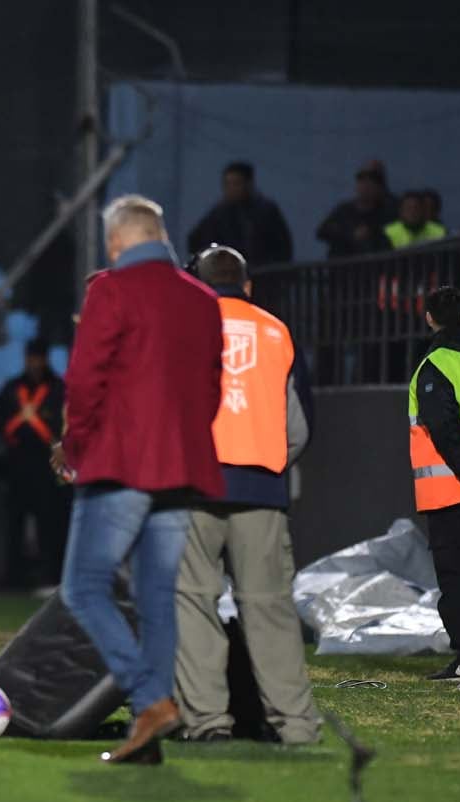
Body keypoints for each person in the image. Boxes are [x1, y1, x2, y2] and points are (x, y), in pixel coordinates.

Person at [53, 196, 223, 764]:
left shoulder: (110, 288)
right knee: (156, 600)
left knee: (84, 587)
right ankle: (148, 732)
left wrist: (76, 447)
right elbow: (211, 389)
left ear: (117, 241)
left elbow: (84, 381)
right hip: (181, 470)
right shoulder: (203, 300)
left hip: (121, 462)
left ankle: (150, 699)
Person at [173, 245, 320, 744]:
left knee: (193, 602)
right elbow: (297, 428)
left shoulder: (180, 325)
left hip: (192, 487)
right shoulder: (276, 331)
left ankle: (208, 721)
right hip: (260, 489)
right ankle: (296, 726)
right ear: (248, 284)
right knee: (270, 607)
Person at [407, 287, 460, 681]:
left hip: (457, 487)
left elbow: (446, 430)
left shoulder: (436, 365)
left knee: (458, 572)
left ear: (429, 319)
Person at [0, 337, 69, 589]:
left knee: (50, 524)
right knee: (14, 524)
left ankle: (51, 577)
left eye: (38, 358)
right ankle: (13, 578)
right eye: (31, 358)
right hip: (17, 465)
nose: (34, 363)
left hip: (47, 466)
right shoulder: (13, 387)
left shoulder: (59, 388)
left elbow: (64, 426)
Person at [187, 162, 293, 268]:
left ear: (248, 184)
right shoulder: (219, 213)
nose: (231, 188)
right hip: (229, 276)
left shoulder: (266, 211)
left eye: (236, 183)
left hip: (262, 275)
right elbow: (196, 241)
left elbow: (283, 249)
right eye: (227, 184)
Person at [315, 163, 395, 258]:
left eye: (370, 185)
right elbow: (322, 232)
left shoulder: (386, 213)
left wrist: (372, 235)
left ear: (378, 189)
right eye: (361, 183)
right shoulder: (343, 210)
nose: (365, 188)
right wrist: (350, 234)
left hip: (372, 267)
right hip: (341, 268)